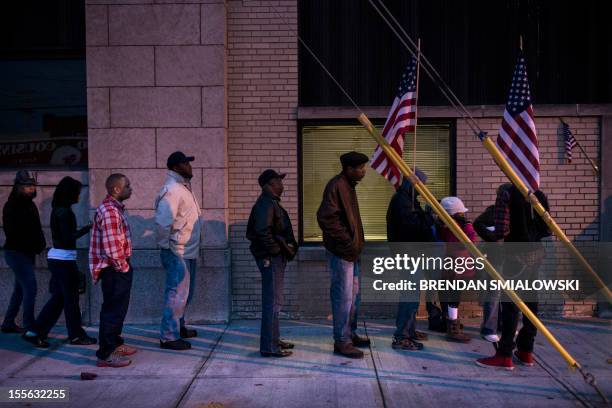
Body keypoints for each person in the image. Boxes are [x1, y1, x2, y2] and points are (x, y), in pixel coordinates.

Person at [476, 185, 551, 370]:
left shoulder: (507, 193)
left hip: (515, 256)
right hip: (536, 254)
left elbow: (502, 230)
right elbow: (548, 228)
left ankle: (505, 354)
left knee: (510, 307)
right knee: (531, 304)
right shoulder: (538, 194)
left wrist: (494, 238)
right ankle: (526, 351)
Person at [22, 177, 96, 348]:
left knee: (59, 300)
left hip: (59, 259)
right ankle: (76, 335)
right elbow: (67, 238)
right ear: (69, 193)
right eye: (77, 192)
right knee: (71, 300)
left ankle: (35, 332)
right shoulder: (64, 212)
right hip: (63, 261)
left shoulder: (59, 210)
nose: (79, 196)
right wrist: (88, 228)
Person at [317, 151, 371, 359]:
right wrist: (348, 244)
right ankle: (342, 341)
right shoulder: (337, 186)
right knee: (343, 297)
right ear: (349, 169)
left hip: (351, 253)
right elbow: (326, 218)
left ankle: (350, 333)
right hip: (342, 253)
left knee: (353, 296)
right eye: (360, 168)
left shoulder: (348, 186)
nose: (363, 171)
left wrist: (354, 247)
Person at [246, 169, 298, 357]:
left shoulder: (271, 203)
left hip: (274, 258)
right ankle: (269, 346)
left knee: (276, 302)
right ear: (269, 184)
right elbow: (261, 232)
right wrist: (276, 251)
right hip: (271, 259)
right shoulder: (266, 204)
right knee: (272, 303)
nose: (282, 184)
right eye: (278, 180)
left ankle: (273, 339)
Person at [155, 152, 202, 351]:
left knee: (186, 294)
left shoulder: (182, 188)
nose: (189, 166)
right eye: (185, 163)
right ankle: (168, 336)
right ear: (176, 167)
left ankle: (178, 327)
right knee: (176, 295)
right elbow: (163, 222)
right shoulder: (173, 190)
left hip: (187, 250)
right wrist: (168, 249)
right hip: (177, 251)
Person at [387, 171, 437, 351]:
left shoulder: (409, 201)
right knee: (409, 297)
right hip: (408, 256)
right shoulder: (402, 202)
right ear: (413, 184)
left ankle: (410, 331)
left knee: (413, 296)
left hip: (412, 254)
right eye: (421, 185)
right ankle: (402, 337)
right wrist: (430, 218)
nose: (423, 189)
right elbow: (412, 227)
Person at [90, 174, 137, 368]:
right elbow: (111, 246)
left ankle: (115, 343)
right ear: (116, 189)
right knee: (112, 311)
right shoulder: (109, 211)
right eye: (127, 186)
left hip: (116, 267)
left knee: (118, 309)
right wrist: (123, 266)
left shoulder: (113, 209)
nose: (131, 189)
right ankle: (106, 354)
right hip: (114, 268)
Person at [1, 171, 46, 334]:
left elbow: (36, 228)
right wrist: (34, 245)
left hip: (27, 253)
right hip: (16, 252)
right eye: (27, 186)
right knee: (30, 287)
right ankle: (30, 326)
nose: (31, 188)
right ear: (18, 187)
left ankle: (8, 323)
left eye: (32, 185)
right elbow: (14, 233)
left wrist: (39, 245)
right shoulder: (12, 206)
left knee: (20, 289)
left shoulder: (30, 205)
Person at [473, 183, 512, 343]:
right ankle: (489, 328)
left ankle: (501, 325)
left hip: (510, 257)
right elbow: (477, 224)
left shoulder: (514, 212)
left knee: (505, 293)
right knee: (494, 292)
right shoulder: (494, 211)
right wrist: (493, 238)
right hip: (497, 256)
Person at [437, 196, 476, 343]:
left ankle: (449, 321)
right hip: (459, 264)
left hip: (449, 262)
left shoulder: (443, 225)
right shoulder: (464, 226)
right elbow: (471, 241)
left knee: (447, 293)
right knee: (454, 295)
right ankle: (452, 326)